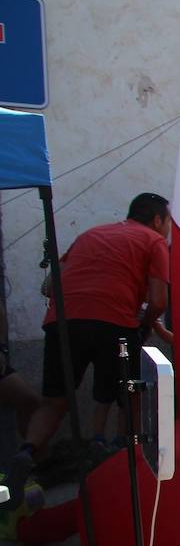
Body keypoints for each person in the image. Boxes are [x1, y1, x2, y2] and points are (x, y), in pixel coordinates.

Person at [3, 193, 171, 502]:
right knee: (131, 395)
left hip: (62, 322)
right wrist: (145, 325)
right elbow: (159, 300)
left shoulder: (90, 234)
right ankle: (130, 467)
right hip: (114, 322)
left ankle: (26, 452)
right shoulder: (153, 240)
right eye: (168, 222)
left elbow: (51, 285)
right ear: (158, 219)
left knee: (53, 402)